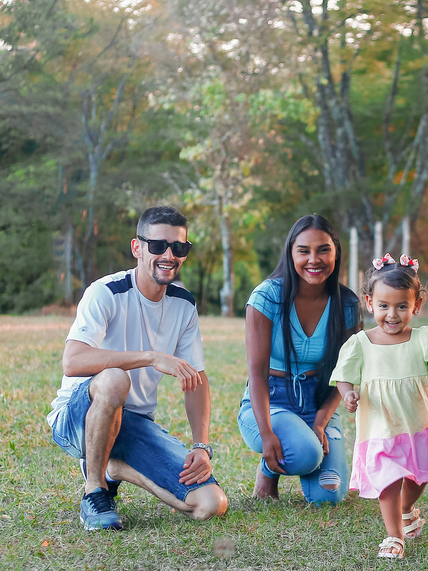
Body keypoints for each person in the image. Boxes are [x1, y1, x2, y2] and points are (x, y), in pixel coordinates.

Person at [47, 205, 228, 530]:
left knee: (212, 503)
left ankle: (112, 467)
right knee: (115, 380)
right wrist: (149, 357)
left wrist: (201, 445)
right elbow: (73, 361)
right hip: (78, 419)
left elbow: (197, 378)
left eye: (179, 247)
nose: (168, 255)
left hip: (134, 423)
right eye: (158, 246)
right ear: (137, 248)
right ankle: (95, 491)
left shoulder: (183, 303)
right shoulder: (106, 293)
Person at [331, 253, 428, 559]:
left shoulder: (423, 338)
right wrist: (348, 394)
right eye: (384, 305)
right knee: (389, 481)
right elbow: (344, 378)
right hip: (380, 426)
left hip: (418, 424)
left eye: (402, 306)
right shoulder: (360, 343)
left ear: (416, 305)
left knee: (419, 477)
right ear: (369, 302)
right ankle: (394, 537)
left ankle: (406, 508)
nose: (392, 314)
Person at [238, 214, 362, 502]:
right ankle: (269, 471)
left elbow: (347, 373)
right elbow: (256, 374)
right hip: (272, 402)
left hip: (319, 399)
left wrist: (320, 421)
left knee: (328, 497)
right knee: (306, 454)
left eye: (323, 250)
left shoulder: (347, 304)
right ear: (290, 253)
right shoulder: (266, 297)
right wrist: (267, 433)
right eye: (303, 250)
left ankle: (307, 438)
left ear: (336, 252)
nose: (314, 259)